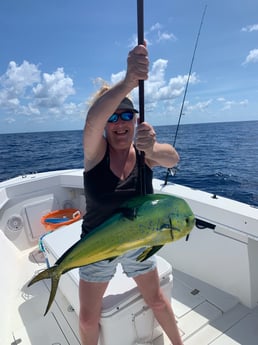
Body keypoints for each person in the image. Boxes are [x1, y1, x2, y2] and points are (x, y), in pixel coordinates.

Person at [79, 43, 183, 345]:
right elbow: (91, 121)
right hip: (98, 244)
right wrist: (128, 82)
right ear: (105, 127)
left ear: (136, 120)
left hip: (138, 241)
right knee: (88, 319)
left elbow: (172, 158)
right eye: (112, 118)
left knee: (158, 301)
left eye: (126, 116)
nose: (119, 123)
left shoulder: (143, 154)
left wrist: (151, 148)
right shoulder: (95, 154)